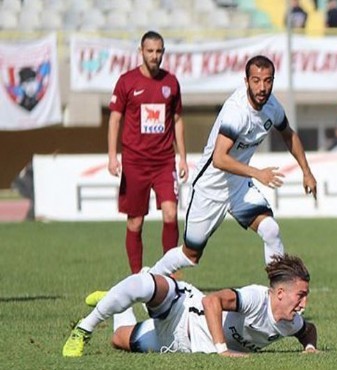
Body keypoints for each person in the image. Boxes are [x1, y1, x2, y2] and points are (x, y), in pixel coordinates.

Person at [147, 55, 317, 278]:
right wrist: (257, 173)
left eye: (268, 80)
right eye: (256, 80)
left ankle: (280, 298)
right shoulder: (236, 112)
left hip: (238, 185)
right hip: (210, 187)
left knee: (270, 229)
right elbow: (219, 158)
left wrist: (307, 171)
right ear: (246, 81)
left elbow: (289, 134)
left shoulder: (273, 106)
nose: (262, 87)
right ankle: (149, 279)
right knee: (191, 255)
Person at [62, 253, 318, 357]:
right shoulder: (255, 298)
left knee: (118, 339)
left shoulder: (291, 322)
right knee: (141, 285)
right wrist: (222, 350)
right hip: (181, 308)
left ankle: (113, 300)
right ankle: (83, 329)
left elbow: (308, 329)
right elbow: (211, 301)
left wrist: (309, 347)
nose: (304, 303)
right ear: (281, 292)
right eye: (301, 295)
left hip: (174, 343)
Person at [107, 30, 189, 274]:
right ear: (141, 52)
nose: (155, 56)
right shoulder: (126, 81)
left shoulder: (171, 83)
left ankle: (169, 274)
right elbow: (114, 120)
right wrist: (112, 156)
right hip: (134, 162)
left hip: (164, 161)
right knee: (135, 221)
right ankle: (136, 278)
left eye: (159, 51)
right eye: (150, 51)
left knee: (171, 213)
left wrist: (183, 157)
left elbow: (177, 120)